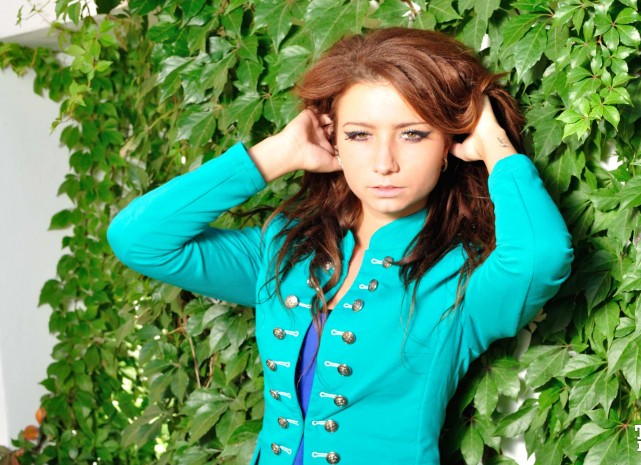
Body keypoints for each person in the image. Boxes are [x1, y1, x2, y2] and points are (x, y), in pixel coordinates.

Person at [107, 27, 573, 465]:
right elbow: (138, 239)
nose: (384, 162)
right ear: (334, 138)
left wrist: (494, 144)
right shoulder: (286, 248)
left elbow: (543, 255)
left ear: (450, 142)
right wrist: (277, 154)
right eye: (359, 134)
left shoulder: (460, 277)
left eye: (413, 133)